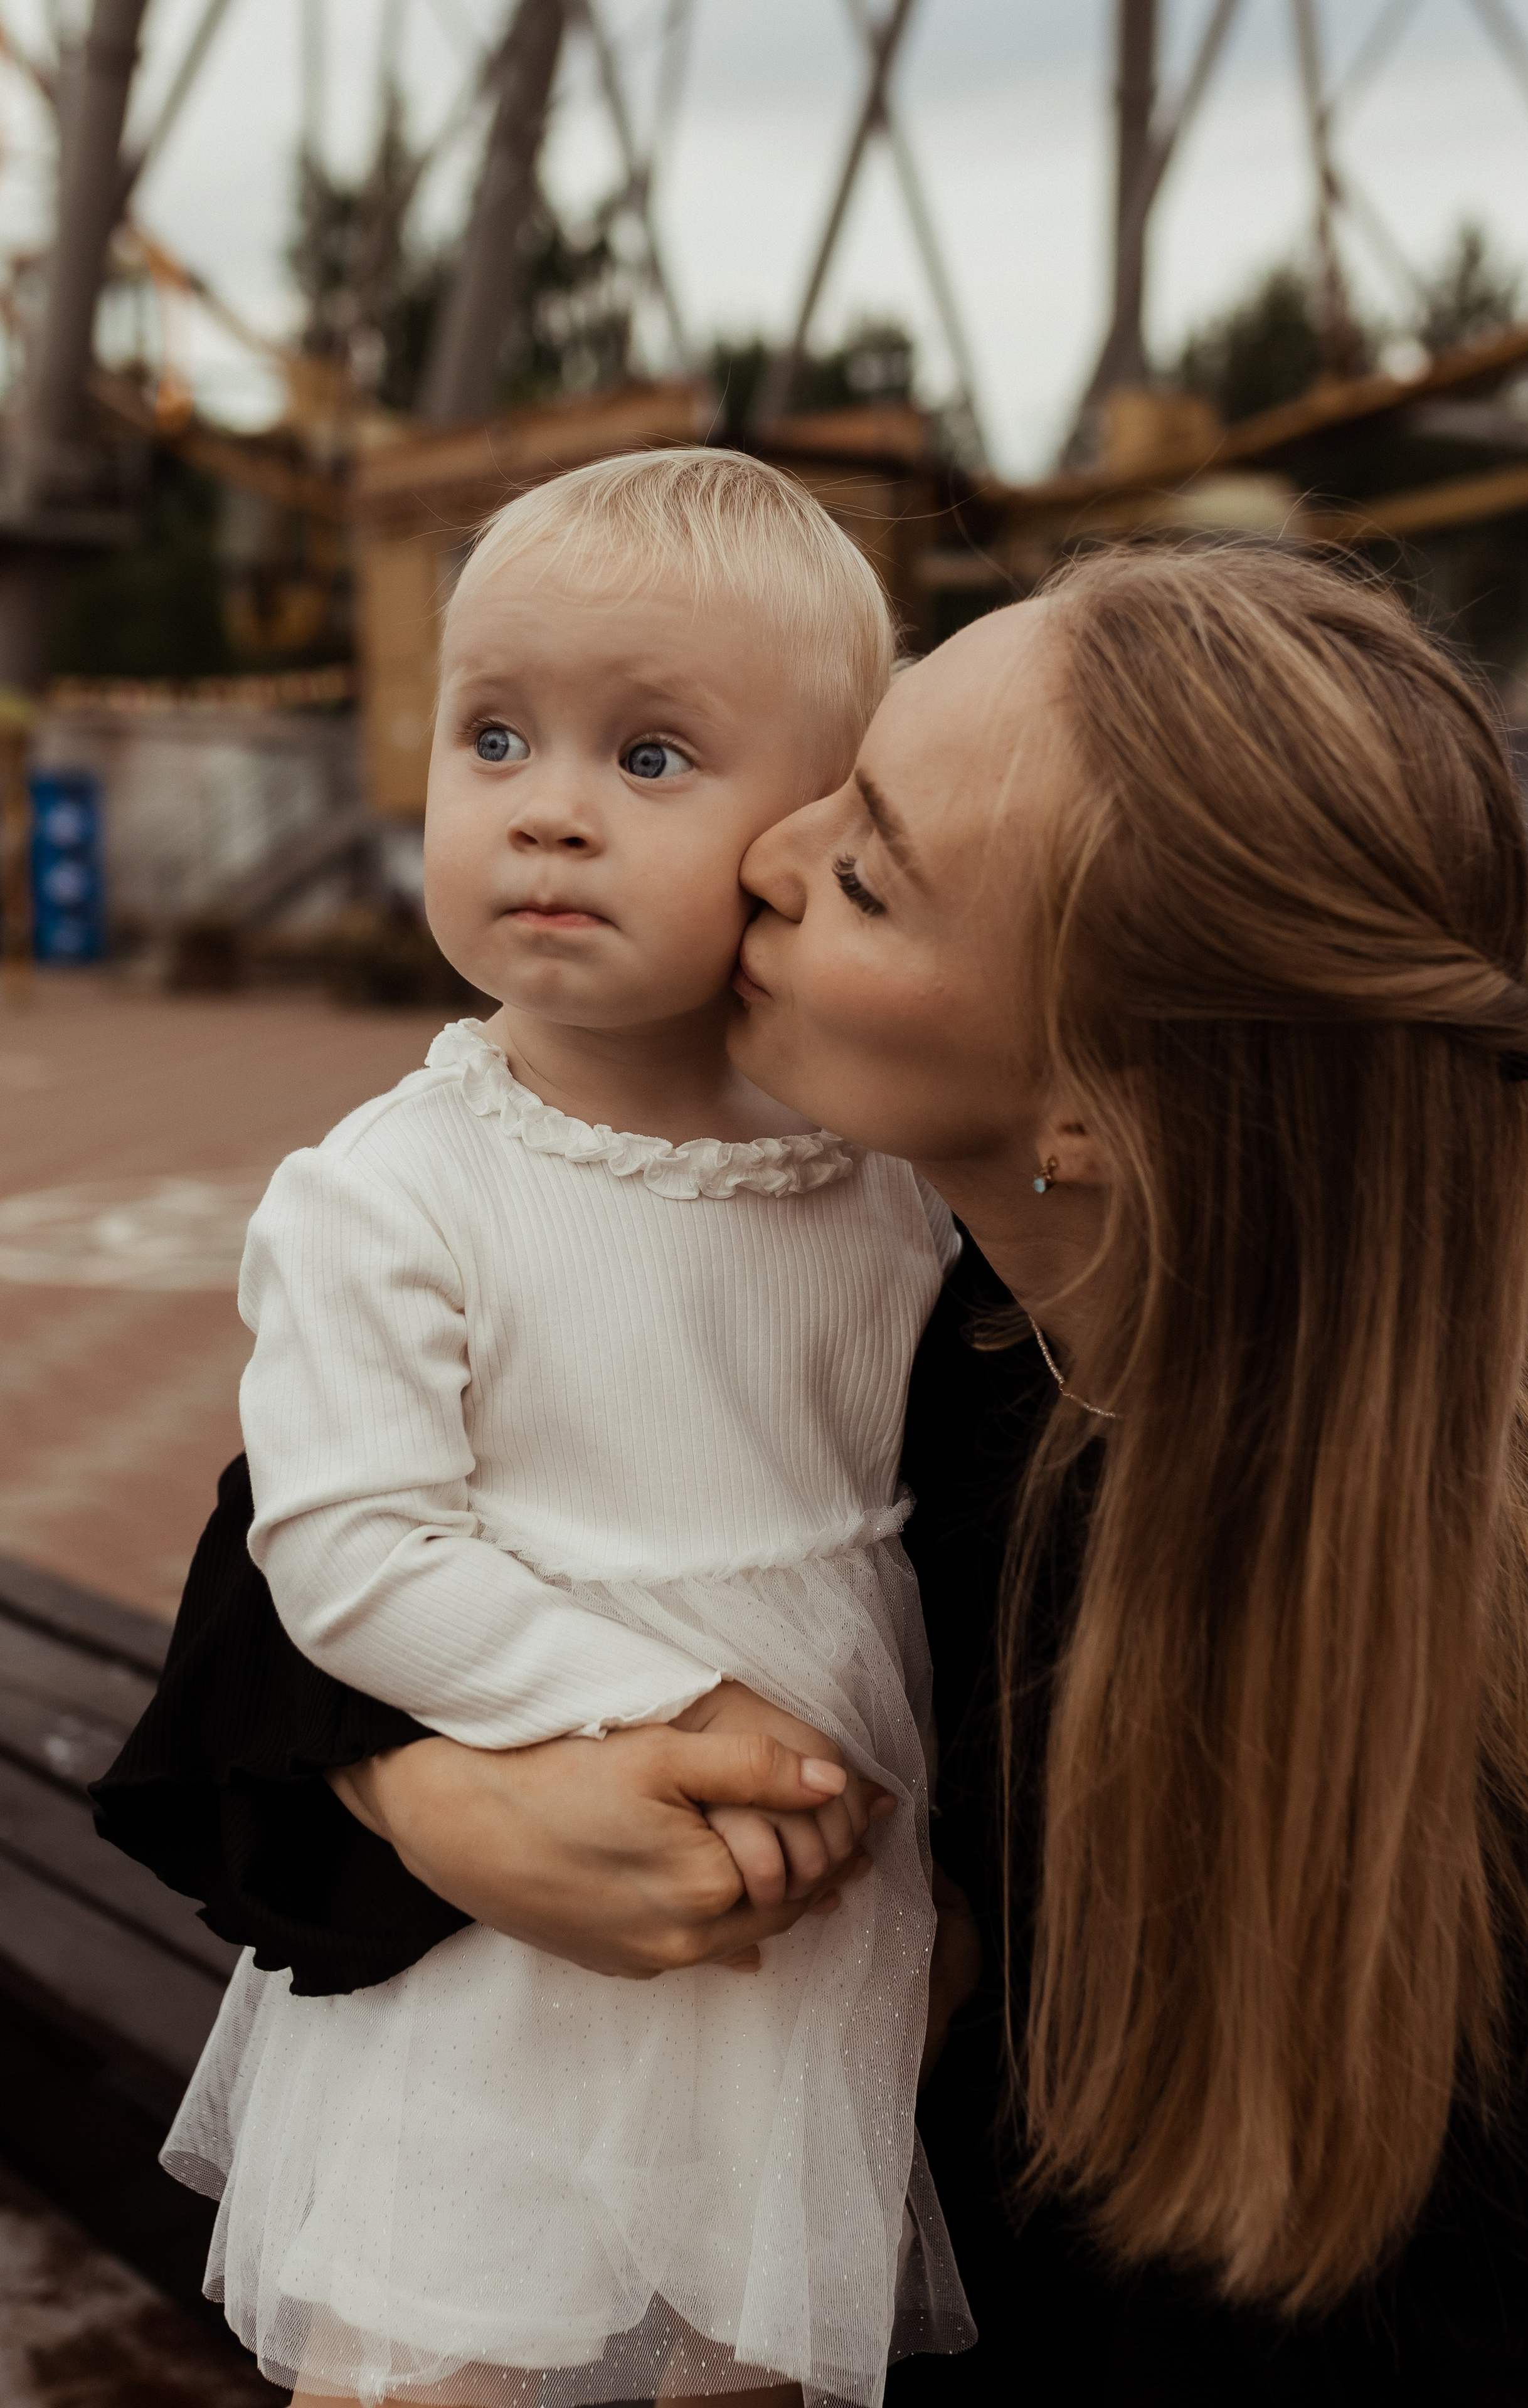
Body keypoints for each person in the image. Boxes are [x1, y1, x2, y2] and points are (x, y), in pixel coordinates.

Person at [99, 537, 1528, 2401]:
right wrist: (437, 1799)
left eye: (869, 872)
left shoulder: (1494, 1744)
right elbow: (279, 1561)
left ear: (1089, 1110)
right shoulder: (931, 1301)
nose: (765, 857)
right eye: (833, 784)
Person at [137, 448, 978, 2408]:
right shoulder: (393, 1188)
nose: (552, 815)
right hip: (517, 1935)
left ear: (817, 830)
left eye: (652, 760)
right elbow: (350, 1552)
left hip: (822, 1919)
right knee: (444, 2349)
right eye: (494, 738)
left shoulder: (879, 1184)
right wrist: (660, 1707)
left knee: (750, 2344)